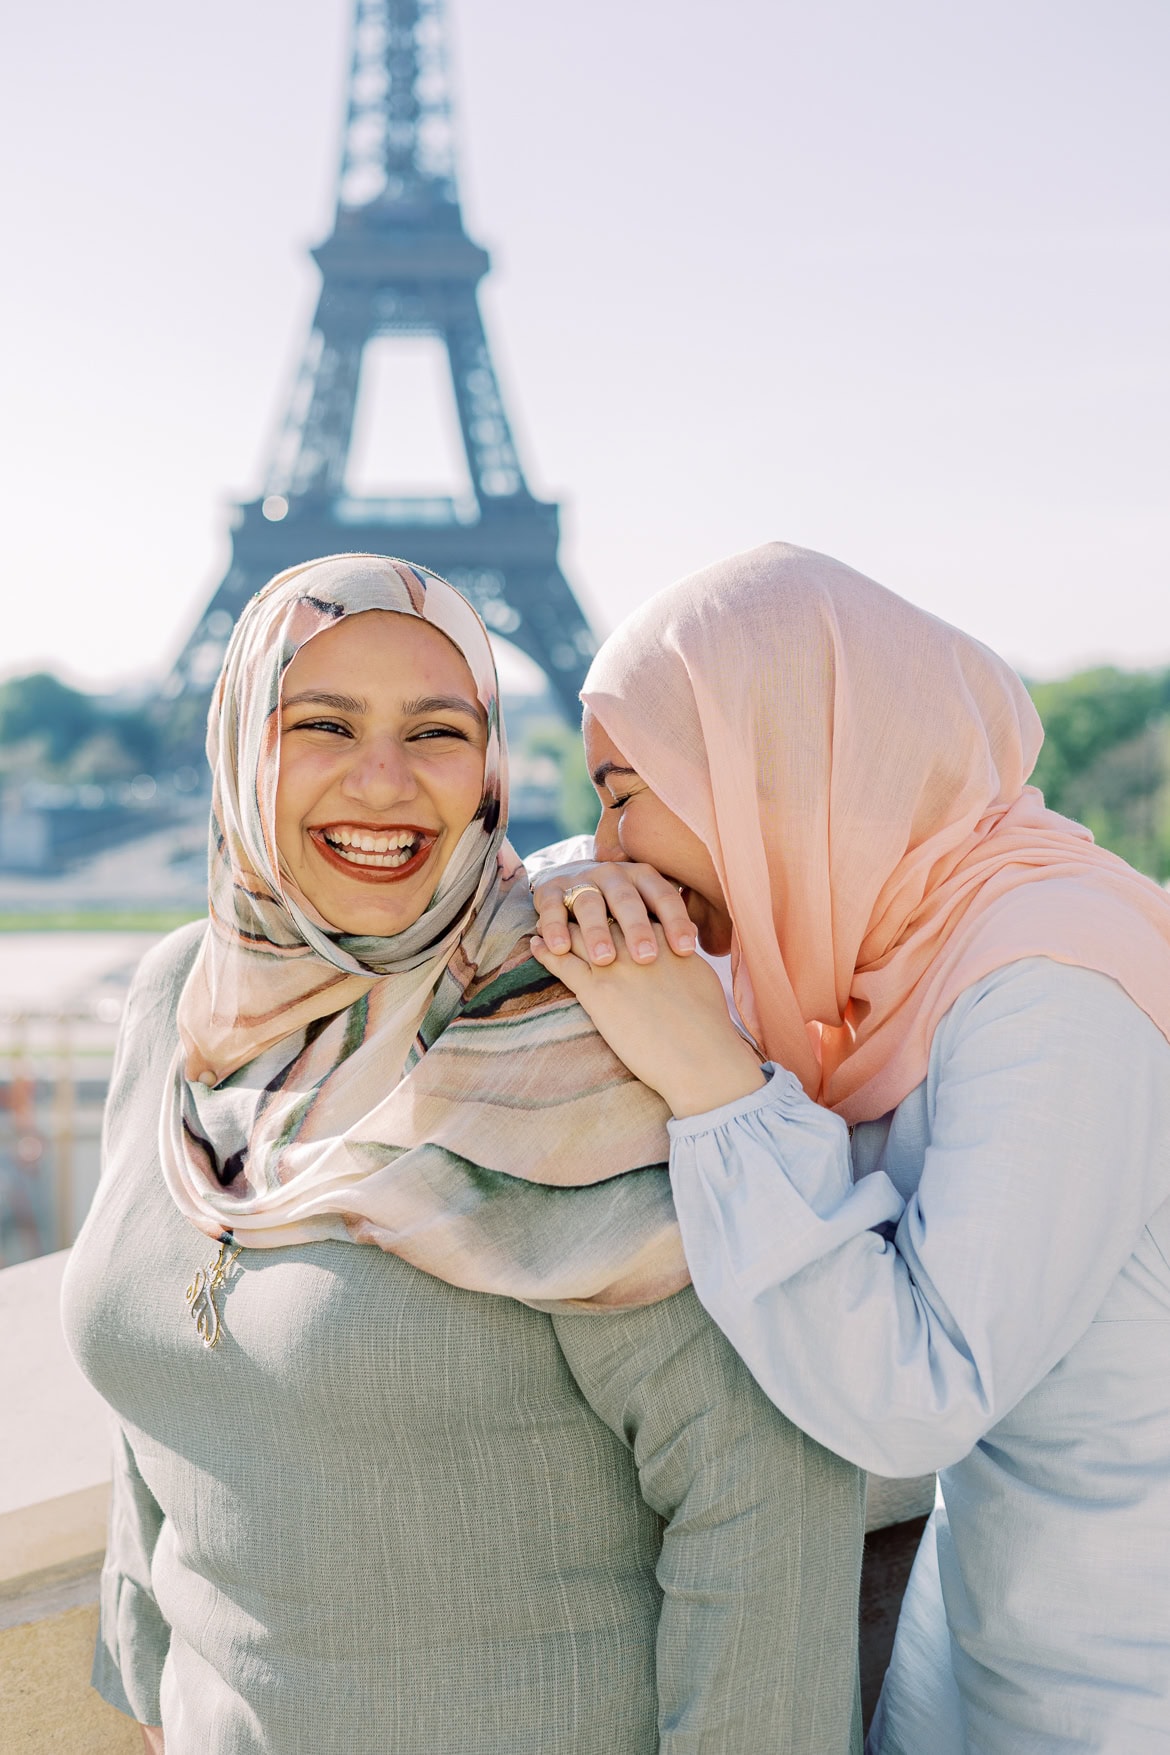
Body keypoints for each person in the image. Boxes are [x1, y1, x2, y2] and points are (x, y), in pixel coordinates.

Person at [60, 553, 866, 1755]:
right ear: (239, 742)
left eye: (438, 731)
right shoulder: (182, 1000)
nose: (384, 783)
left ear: (491, 762)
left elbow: (769, 1490)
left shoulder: (571, 1013)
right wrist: (147, 1703)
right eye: (321, 722)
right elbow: (159, 1408)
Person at [530, 541, 1170, 1755]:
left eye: (625, 792)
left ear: (761, 770)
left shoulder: (1056, 984)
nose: (608, 842)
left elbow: (916, 1397)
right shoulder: (897, 952)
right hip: (983, 1666)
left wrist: (713, 1088)